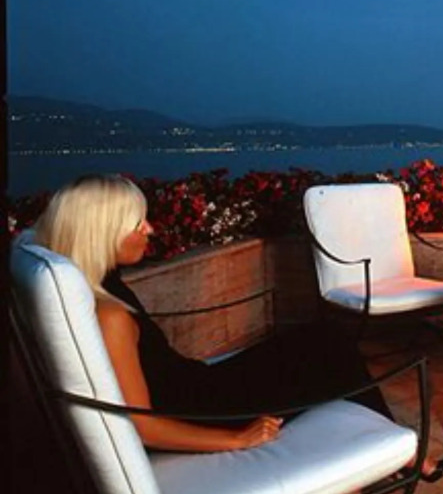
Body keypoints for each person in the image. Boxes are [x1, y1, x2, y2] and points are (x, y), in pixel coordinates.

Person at [31, 174, 395, 454]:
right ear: (103, 232)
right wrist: (237, 440)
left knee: (322, 340)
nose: (150, 230)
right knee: (330, 349)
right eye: (137, 223)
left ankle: (377, 452)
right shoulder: (110, 316)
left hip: (198, 386)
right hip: (204, 409)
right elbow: (144, 427)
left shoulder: (104, 282)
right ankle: (397, 451)